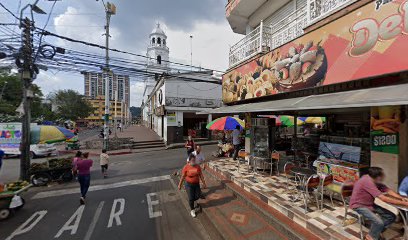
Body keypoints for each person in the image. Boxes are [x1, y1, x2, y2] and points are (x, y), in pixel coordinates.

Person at [350, 167, 408, 240]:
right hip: (359, 205)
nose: (383, 178)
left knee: (391, 216)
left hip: (369, 204)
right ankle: (371, 237)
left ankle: (375, 232)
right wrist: (404, 203)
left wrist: (401, 198)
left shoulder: (374, 179)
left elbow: (387, 190)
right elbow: (384, 198)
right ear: (378, 177)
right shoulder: (367, 182)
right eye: (382, 176)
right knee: (378, 222)